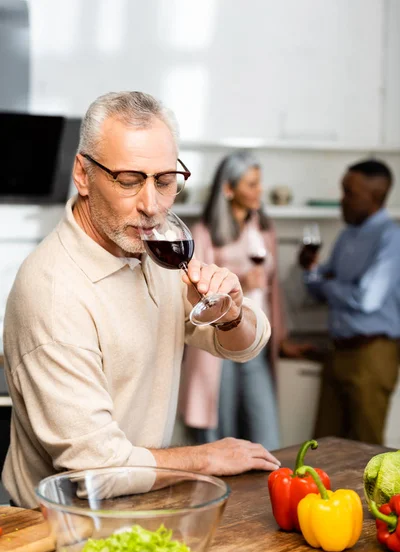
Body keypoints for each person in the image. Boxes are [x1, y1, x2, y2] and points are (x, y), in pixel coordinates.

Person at [1, 92, 280, 508]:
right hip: (53, 529)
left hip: (134, 503)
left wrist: (231, 315)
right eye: (129, 180)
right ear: (82, 174)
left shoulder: (150, 249)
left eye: (165, 181)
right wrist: (206, 457)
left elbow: (248, 345)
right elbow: (97, 470)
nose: (152, 206)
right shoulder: (54, 292)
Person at [179, 151, 312, 448]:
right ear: (228, 189)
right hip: (215, 347)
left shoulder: (264, 230)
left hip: (255, 340)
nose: (259, 191)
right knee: (223, 430)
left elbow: (272, 290)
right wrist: (241, 279)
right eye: (251, 184)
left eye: (259, 183)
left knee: (266, 431)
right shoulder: (206, 232)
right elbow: (195, 290)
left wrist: (281, 338)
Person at [299, 159, 400, 444]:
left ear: (375, 197)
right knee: (323, 446)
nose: (342, 200)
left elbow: (366, 299)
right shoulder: (346, 236)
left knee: (367, 450)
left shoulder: (392, 238)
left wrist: (327, 281)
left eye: (349, 193)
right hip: (338, 351)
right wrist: (310, 272)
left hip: (372, 355)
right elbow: (319, 290)